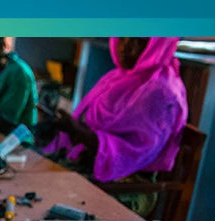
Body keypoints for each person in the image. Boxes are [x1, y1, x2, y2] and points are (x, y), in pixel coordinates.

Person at [41, 37, 188, 184]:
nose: (125, 47)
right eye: (122, 38)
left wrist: (78, 131)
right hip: (89, 161)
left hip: (128, 180)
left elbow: (131, 154)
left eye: (138, 40)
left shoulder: (160, 92)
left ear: (158, 44)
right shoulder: (118, 77)